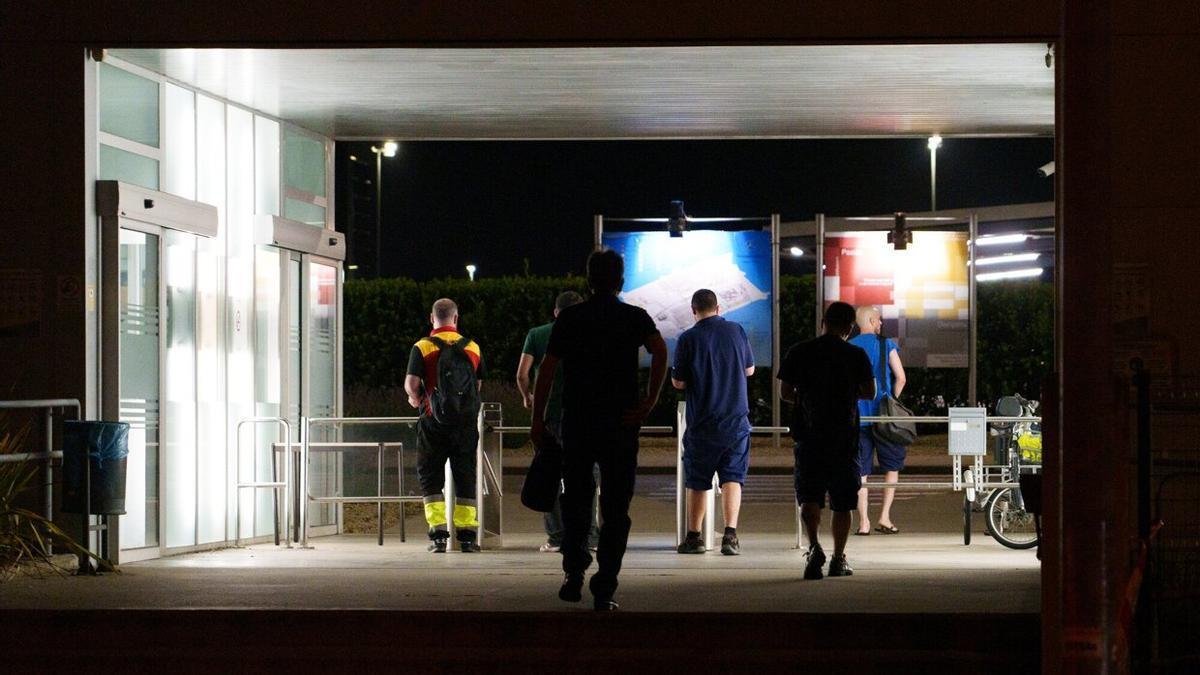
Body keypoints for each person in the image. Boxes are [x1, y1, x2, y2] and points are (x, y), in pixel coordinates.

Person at [531, 249, 668, 611]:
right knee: (616, 507)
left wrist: (537, 419)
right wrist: (650, 400)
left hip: (578, 422)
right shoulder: (634, 317)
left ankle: (573, 572)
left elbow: (547, 371)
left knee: (577, 500)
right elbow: (660, 351)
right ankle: (605, 585)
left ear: (588, 280)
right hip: (620, 424)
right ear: (620, 281)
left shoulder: (571, 318)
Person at [777, 301, 875, 580]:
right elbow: (869, 391)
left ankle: (814, 547)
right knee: (843, 501)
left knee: (809, 496)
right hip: (844, 437)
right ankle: (838, 558)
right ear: (849, 328)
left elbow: (785, 391)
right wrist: (846, 393)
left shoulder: (800, 351)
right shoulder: (855, 354)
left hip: (809, 436)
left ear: (824, 322)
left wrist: (807, 397)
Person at [671, 289, 755, 556]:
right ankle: (730, 535)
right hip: (735, 421)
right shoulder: (736, 331)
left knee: (698, 480)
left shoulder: (687, 338)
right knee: (733, 478)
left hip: (702, 423)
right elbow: (750, 369)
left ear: (693, 310)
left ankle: (694, 537)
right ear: (718, 308)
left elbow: (679, 382)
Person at [516, 290, 599, 553]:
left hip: (550, 415)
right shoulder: (594, 334)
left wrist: (527, 397)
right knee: (587, 476)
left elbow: (522, 374)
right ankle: (589, 536)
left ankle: (557, 537)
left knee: (550, 473)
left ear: (555, 312)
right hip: (585, 416)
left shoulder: (537, 334)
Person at [404, 298, 485, 553]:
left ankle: (438, 535)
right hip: (465, 424)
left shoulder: (422, 347)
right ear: (456, 318)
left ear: (432, 318)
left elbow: (411, 383)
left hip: (433, 422)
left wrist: (416, 399)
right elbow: (477, 385)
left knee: (430, 477)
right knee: (465, 477)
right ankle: (468, 537)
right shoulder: (472, 347)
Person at [849, 306, 908, 535]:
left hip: (858, 417)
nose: (881, 323)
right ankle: (885, 517)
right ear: (872, 321)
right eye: (879, 320)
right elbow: (901, 378)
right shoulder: (886, 345)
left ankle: (863, 522)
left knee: (860, 471)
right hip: (885, 418)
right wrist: (892, 400)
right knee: (891, 466)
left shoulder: (850, 347)